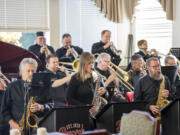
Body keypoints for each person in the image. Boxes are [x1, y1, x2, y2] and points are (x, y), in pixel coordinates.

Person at [0, 58, 53, 135]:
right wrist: (13, 124)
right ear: (21, 72)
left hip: (37, 128)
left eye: (33, 71)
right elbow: (4, 110)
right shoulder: (12, 87)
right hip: (17, 129)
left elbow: (51, 104)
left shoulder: (42, 86)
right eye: (28, 71)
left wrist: (41, 107)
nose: (31, 73)